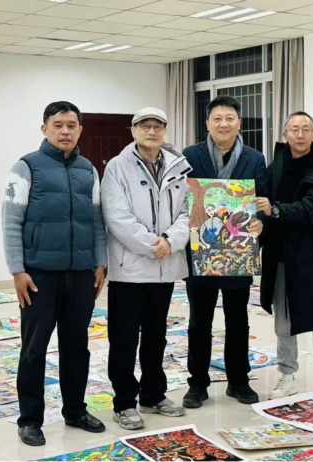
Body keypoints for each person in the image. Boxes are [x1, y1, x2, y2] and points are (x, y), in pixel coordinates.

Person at [2, 101, 107, 447]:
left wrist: (100, 262)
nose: (65, 131)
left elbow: (96, 221)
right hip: (39, 276)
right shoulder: (26, 167)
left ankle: (75, 410)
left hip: (80, 274)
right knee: (34, 349)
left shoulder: (88, 170)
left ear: (80, 130)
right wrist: (17, 270)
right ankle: (30, 419)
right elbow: (11, 222)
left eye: (71, 125)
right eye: (58, 125)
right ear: (44, 128)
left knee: (77, 347)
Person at [101, 107, 191, 430]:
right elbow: (117, 217)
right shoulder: (117, 167)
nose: (152, 131)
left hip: (164, 269)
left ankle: (153, 395)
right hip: (130, 270)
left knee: (157, 337)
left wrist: (171, 240)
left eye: (158, 126)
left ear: (165, 131)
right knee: (124, 339)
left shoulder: (178, 166)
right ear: (133, 130)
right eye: (145, 126)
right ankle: (124, 402)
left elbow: (188, 213)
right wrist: (154, 245)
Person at [182, 95, 267, 409]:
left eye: (230, 118)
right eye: (217, 118)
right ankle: (197, 384)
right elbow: (181, 199)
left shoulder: (255, 158)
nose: (223, 124)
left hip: (239, 251)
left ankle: (239, 381)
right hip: (201, 251)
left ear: (239, 123)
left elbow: (262, 201)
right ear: (207, 123)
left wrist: (260, 223)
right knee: (199, 321)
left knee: (238, 321)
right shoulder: (190, 155)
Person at [255, 111, 313, 400]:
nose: (300, 134)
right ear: (285, 135)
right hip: (281, 254)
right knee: (284, 322)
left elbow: (312, 208)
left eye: (306, 129)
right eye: (294, 129)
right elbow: (262, 205)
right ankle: (287, 375)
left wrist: (275, 210)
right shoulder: (276, 167)